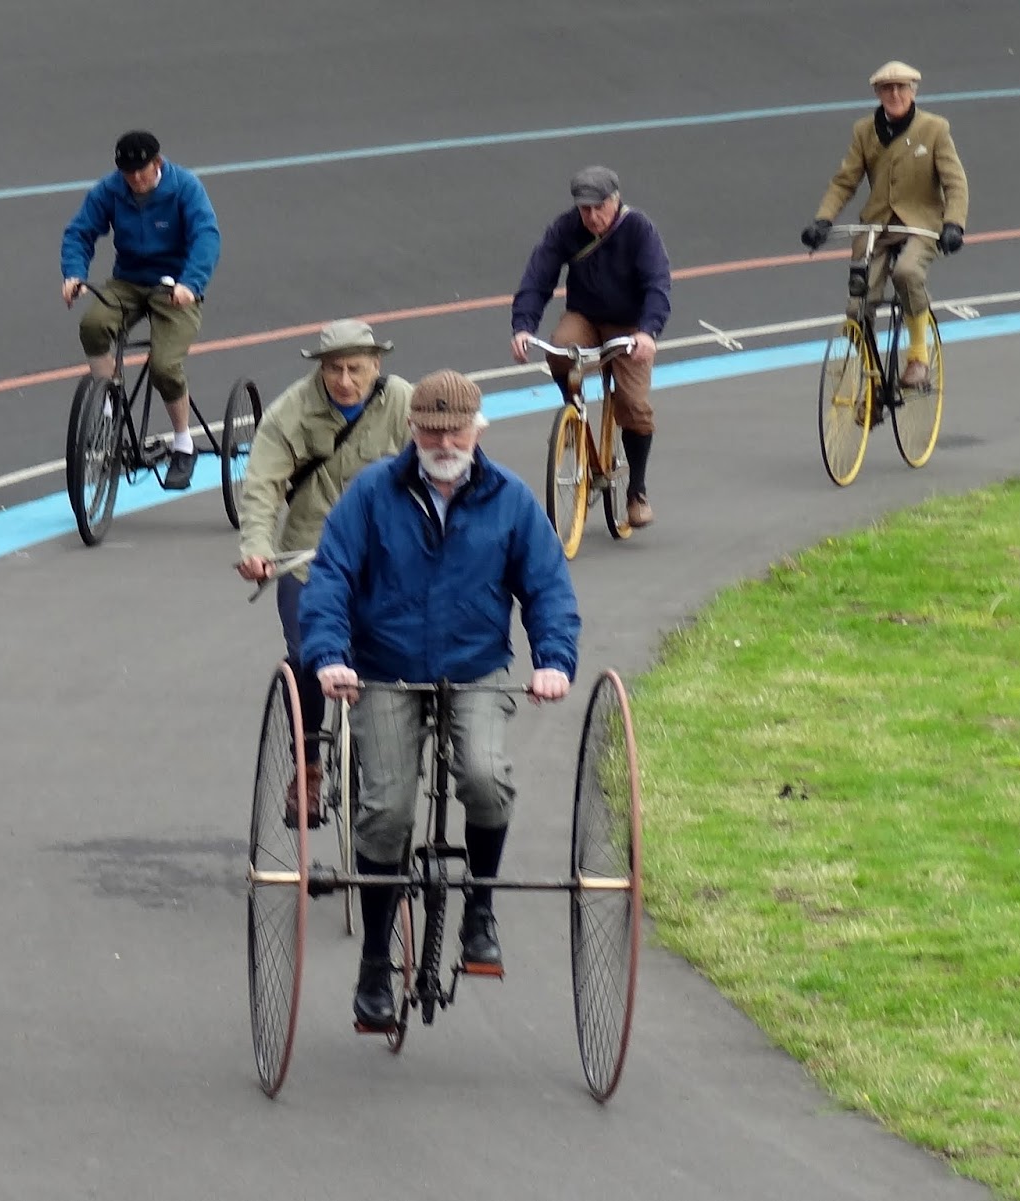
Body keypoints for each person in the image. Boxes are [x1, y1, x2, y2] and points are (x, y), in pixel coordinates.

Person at [299, 370, 581, 1029]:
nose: (444, 443)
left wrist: (553, 661)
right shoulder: (371, 493)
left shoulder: (511, 500)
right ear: (412, 430)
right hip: (385, 670)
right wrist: (330, 655)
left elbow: (548, 587)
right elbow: (330, 576)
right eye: (431, 431)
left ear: (478, 430)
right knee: (385, 810)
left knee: (486, 778)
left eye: (456, 431)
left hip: (476, 668)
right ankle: (376, 959)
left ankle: (479, 910)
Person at [235, 319, 413, 823]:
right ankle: (308, 766)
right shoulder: (292, 410)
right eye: (334, 369)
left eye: (356, 369)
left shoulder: (402, 402)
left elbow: (438, 466)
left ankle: (394, 757)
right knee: (307, 655)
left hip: (383, 556)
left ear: (376, 365)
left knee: (402, 652)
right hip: (309, 554)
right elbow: (263, 485)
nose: (345, 380)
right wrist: (257, 547)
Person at [510, 165, 671, 529]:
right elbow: (537, 278)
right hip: (585, 316)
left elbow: (657, 284)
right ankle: (573, 412)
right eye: (585, 209)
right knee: (559, 348)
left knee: (633, 404)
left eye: (600, 208)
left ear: (616, 201)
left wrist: (648, 332)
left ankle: (637, 491)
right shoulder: (565, 228)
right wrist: (523, 327)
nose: (593, 217)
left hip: (629, 326)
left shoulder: (639, 230)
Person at [61, 130, 223, 490]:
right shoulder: (110, 190)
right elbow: (79, 232)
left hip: (174, 287)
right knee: (93, 325)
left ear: (158, 163)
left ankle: (183, 444)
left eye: (141, 171)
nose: (135, 179)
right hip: (129, 282)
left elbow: (206, 236)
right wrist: (74, 274)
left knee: (164, 366)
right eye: (127, 172)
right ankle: (109, 403)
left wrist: (190, 283)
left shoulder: (185, 188)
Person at [801, 60, 969, 389]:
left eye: (901, 88)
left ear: (913, 91)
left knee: (906, 273)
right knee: (857, 307)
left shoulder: (934, 129)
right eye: (887, 89)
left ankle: (918, 356)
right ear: (878, 93)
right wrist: (823, 219)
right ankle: (872, 377)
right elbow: (845, 182)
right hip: (877, 228)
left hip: (920, 226)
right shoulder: (864, 131)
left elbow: (955, 183)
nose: (895, 94)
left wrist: (954, 224)